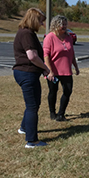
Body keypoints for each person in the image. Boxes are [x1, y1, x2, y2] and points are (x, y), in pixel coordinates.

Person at [13, 8, 51, 148]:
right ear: (34, 19)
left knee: (34, 103)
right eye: (41, 21)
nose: (42, 24)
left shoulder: (26, 32)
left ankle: (24, 128)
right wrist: (46, 68)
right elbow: (32, 56)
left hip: (27, 73)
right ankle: (32, 140)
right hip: (27, 73)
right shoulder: (27, 34)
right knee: (32, 106)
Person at [43, 15, 80, 122]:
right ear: (55, 25)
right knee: (53, 92)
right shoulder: (50, 37)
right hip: (53, 71)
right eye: (61, 24)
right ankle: (52, 112)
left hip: (66, 70)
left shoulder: (68, 37)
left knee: (68, 91)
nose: (64, 26)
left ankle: (61, 114)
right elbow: (46, 55)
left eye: (65, 24)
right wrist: (49, 71)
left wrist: (76, 67)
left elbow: (72, 53)